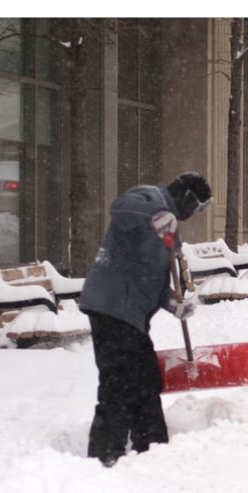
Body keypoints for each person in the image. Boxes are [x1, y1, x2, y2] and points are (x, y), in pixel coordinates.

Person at [80, 172, 212, 467]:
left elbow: (150, 277)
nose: (196, 214)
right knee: (119, 383)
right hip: (112, 306)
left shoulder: (169, 229)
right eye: (199, 208)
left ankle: (151, 448)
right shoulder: (149, 198)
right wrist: (157, 215)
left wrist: (173, 303)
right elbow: (121, 207)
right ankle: (104, 457)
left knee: (146, 379)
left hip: (130, 312)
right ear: (188, 199)